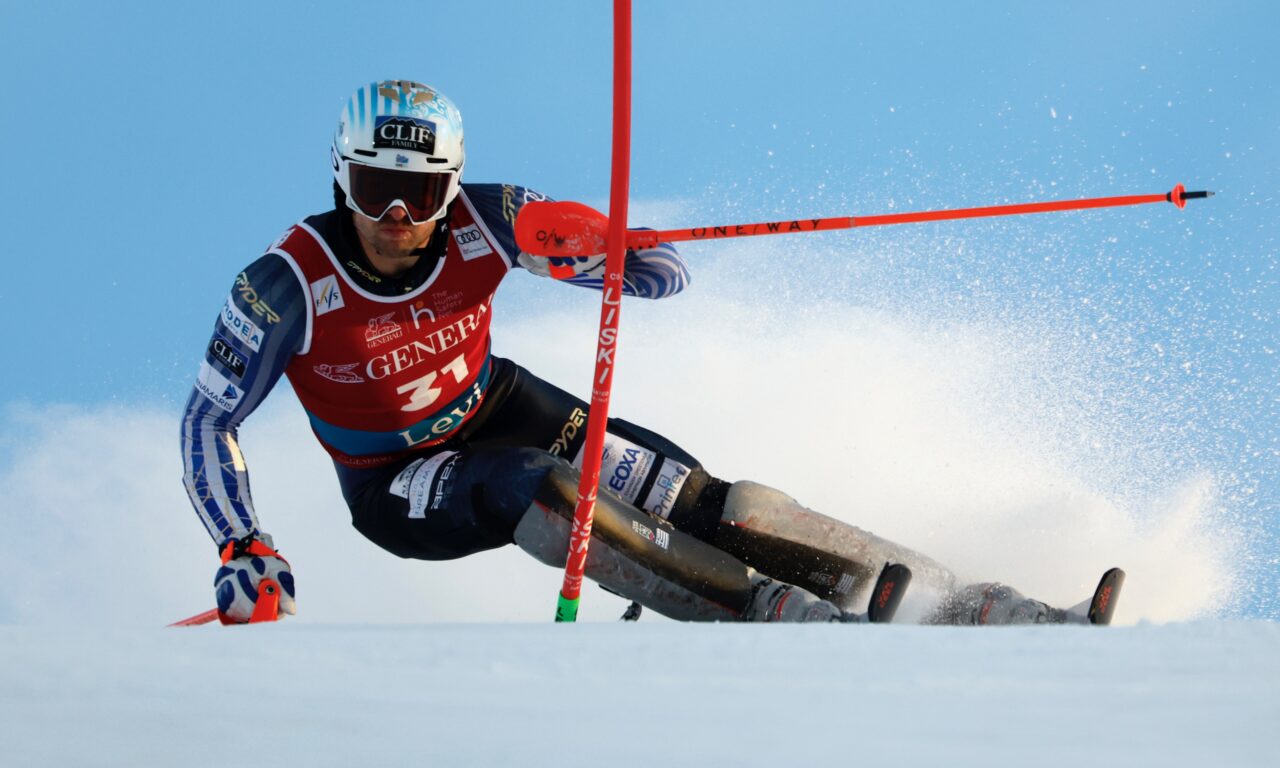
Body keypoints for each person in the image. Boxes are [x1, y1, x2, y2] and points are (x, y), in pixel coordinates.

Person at [182, 80, 1095, 625]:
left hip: (496, 403)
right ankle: (762, 611)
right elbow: (208, 421)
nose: (394, 217)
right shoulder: (284, 284)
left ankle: (960, 601)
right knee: (545, 489)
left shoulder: (486, 217)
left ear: (449, 188)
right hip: (395, 477)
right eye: (373, 188)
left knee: (705, 501)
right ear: (340, 176)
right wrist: (241, 543)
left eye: (417, 195)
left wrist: (615, 255)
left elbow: (644, 268)